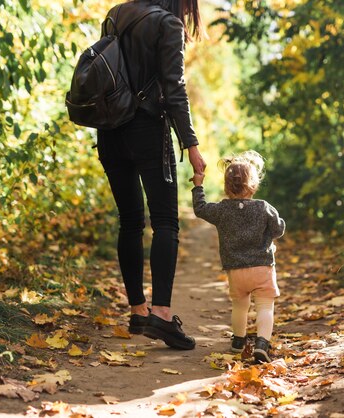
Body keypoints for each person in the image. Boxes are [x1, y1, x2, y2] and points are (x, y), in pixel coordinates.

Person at [96, 0, 206, 350]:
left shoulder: (116, 13)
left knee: (129, 222)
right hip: (146, 129)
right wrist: (191, 144)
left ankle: (138, 310)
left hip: (109, 129)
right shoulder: (168, 25)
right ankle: (160, 314)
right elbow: (175, 89)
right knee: (165, 223)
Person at [191, 151, 286, 363]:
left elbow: (200, 209)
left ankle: (238, 341)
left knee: (240, 306)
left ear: (226, 187)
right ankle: (262, 344)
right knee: (265, 306)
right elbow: (278, 229)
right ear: (253, 185)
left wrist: (198, 185)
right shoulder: (263, 207)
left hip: (236, 270)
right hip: (262, 268)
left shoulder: (222, 210)